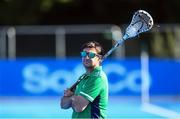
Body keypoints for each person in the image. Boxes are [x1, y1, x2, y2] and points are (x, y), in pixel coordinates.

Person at [60, 41, 109, 119]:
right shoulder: (83, 77)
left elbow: (79, 107)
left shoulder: (97, 78)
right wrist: (74, 98)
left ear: (99, 58)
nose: (86, 57)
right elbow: (63, 105)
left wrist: (71, 96)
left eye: (91, 55)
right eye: (84, 54)